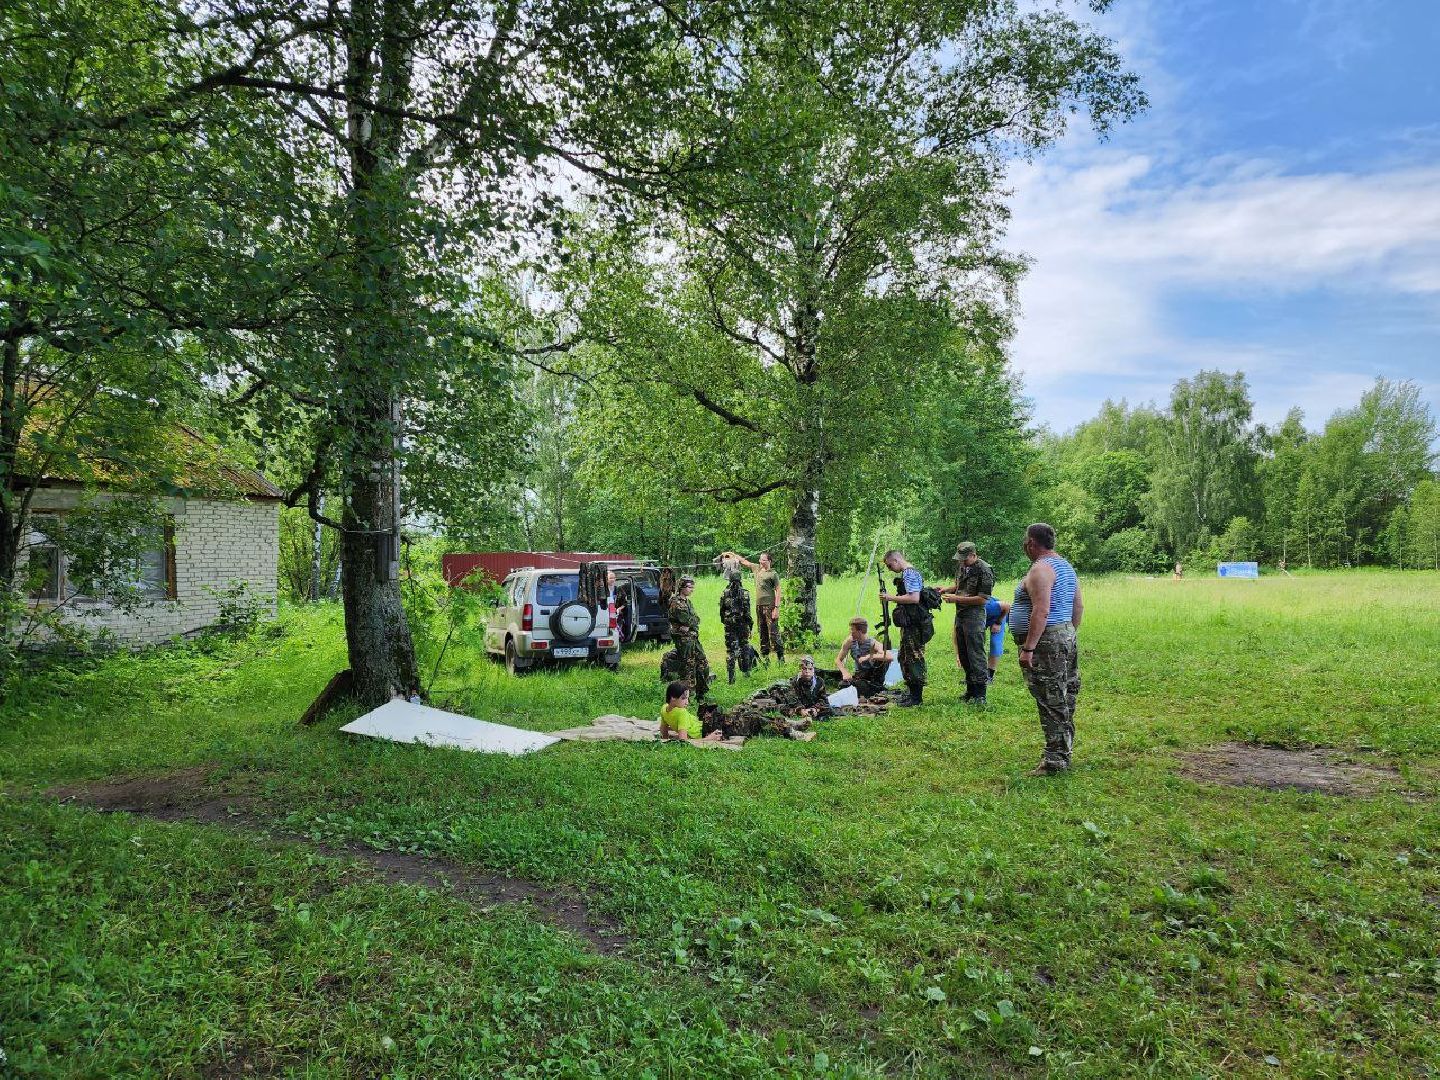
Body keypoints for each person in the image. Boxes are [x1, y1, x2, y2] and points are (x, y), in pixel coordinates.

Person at [1013, 523, 1083, 776]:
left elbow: (1041, 610)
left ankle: (1055, 760)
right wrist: (1068, 635)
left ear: (1032, 543)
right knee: (1064, 695)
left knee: (1050, 699)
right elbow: (1078, 606)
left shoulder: (1040, 569)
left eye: (1026, 541)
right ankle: (1063, 749)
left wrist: (1029, 648)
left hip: (1046, 642)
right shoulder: (1065, 566)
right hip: (1065, 634)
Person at [941, 540, 994, 704]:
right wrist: (946, 589)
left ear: (973, 555)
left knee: (975, 654)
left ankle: (980, 694)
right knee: (963, 653)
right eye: (960, 558)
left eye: (964, 558)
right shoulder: (962, 566)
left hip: (975, 616)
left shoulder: (985, 570)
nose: (962, 562)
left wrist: (956, 598)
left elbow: (983, 599)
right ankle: (970, 690)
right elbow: (959, 585)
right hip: (961, 614)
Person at [880, 550, 932, 707]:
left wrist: (890, 597)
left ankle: (916, 697)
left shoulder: (909, 573)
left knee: (914, 657)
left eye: (890, 565)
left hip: (914, 625)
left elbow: (914, 598)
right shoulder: (907, 573)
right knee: (904, 656)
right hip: (909, 623)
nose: (890, 569)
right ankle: (911, 692)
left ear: (896, 560)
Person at [727, 550, 784, 666]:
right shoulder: (757, 568)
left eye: (763, 560)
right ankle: (766, 657)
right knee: (762, 631)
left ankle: (780, 658)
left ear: (769, 561)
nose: (760, 561)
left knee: (773, 633)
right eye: (760, 559)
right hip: (759, 606)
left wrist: (776, 608)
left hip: (770, 606)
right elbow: (744, 562)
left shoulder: (773, 574)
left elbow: (778, 590)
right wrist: (731, 554)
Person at [666, 575, 712, 699]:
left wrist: (691, 623)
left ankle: (701, 692)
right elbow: (686, 620)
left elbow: (695, 620)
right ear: (682, 587)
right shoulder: (676, 602)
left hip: (692, 638)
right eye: (689, 587)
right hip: (684, 640)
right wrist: (691, 622)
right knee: (688, 667)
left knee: (702, 662)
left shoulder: (687, 601)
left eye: (693, 587)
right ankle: (687, 696)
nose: (692, 590)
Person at [835, 617, 890, 697]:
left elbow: (889, 656)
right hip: (860, 676)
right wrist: (845, 672)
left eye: (852, 630)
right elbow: (838, 660)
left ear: (859, 631)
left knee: (882, 659)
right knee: (843, 685)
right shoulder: (850, 641)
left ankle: (876, 687)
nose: (850, 632)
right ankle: (870, 690)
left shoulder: (872, 643)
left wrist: (869, 656)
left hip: (873, 677)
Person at [718, 566, 755, 684]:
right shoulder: (745, 593)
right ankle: (746, 673)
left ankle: (731, 678)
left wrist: (726, 621)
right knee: (744, 647)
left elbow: (721, 611)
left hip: (730, 626)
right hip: (743, 625)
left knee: (731, 651)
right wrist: (750, 626)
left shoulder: (724, 593)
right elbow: (747, 613)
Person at [985, 597, 1011, 682]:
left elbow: (1006, 606)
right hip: (978, 619)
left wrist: (998, 622)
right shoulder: (962, 619)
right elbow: (957, 637)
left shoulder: (990, 607)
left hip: (1000, 613)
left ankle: (990, 676)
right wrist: (957, 655)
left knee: (995, 642)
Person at [606, 569, 629, 642]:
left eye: (614, 578)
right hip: (605, 613)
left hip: (616, 614)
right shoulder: (603, 590)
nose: (612, 580)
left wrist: (619, 609)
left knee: (616, 632)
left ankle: (618, 643)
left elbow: (625, 603)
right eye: (610, 578)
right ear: (606, 579)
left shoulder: (619, 589)